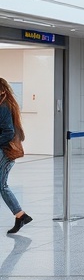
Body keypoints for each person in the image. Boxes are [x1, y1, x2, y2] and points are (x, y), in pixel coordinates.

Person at [0, 78, 30, 233]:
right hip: (3, 150)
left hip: (4, 151)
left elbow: (8, 132)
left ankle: (21, 215)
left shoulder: (4, 106)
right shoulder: (4, 105)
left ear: (2, 91)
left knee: (2, 185)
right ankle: (20, 215)